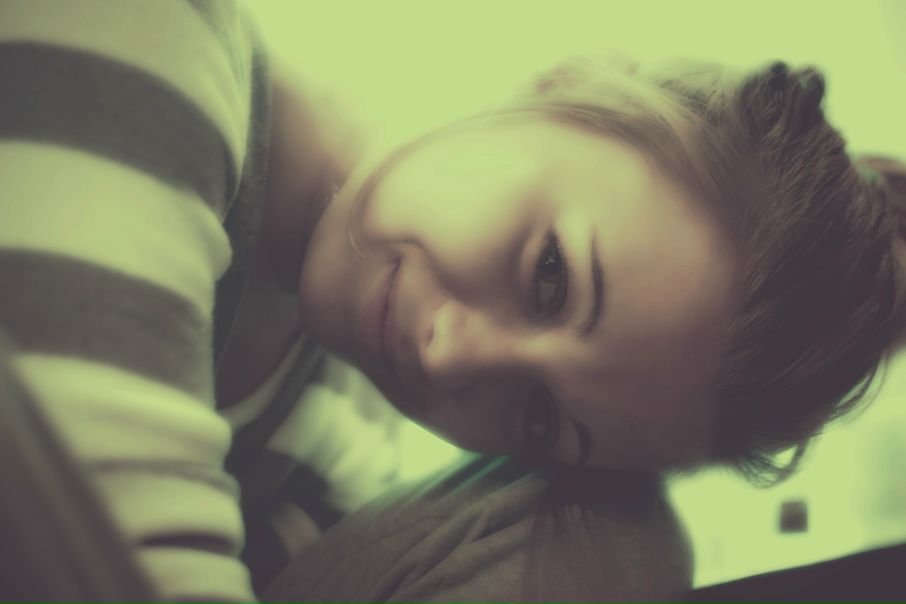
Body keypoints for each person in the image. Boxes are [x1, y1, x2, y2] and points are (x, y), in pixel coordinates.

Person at [2, 0, 905, 601]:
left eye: (539, 418)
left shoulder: (333, 446)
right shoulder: (148, 36)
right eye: (550, 275)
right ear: (566, 88)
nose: (448, 355)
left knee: (622, 539)